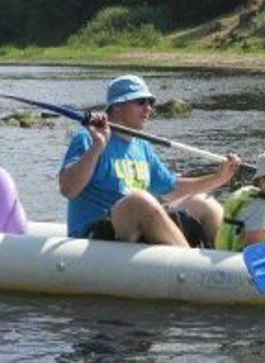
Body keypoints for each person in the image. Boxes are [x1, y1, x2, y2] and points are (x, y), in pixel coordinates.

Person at [59, 74, 241, 247]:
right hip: (93, 235)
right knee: (139, 200)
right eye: (140, 102)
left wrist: (218, 178)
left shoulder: (141, 146)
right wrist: (98, 145)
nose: (148, 108)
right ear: (117, 106)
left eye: (150, 102)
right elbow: (68, 189)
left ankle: (233, 264)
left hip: (135, 229)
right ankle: (193, 267)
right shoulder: (88, 139)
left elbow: (171, 189)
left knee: (203, 202)